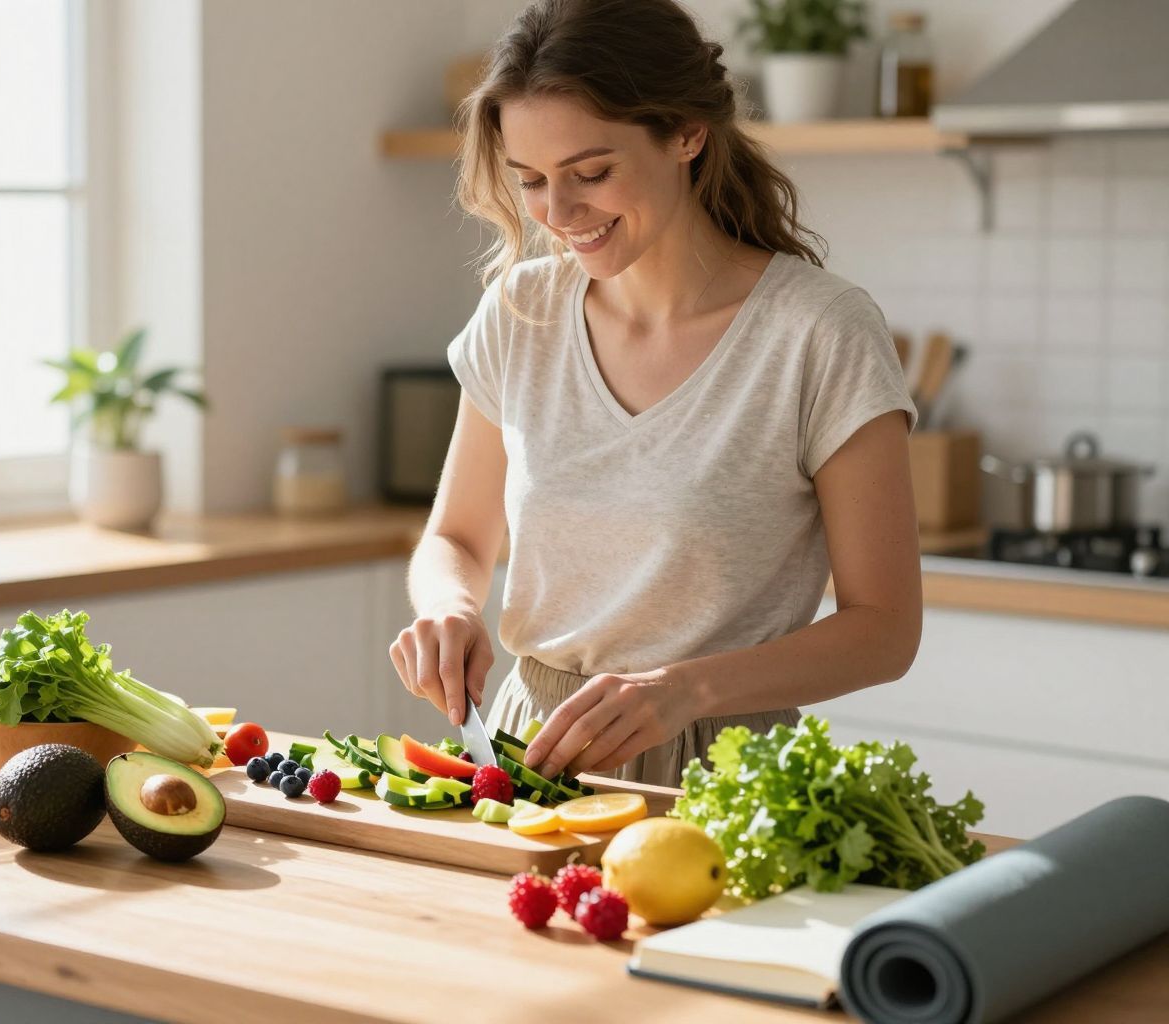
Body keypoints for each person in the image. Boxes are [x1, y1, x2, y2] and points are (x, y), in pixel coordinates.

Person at [388, 0, 922, 788]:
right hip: (526, 760)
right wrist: (449, 608)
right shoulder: (521, 311)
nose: (558, 215)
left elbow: (885, 629)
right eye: (530, 181)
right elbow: (458, 541)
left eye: (591, 173)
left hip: (723, 779)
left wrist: (684, 690)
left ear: (686, 133)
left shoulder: (819, 332)